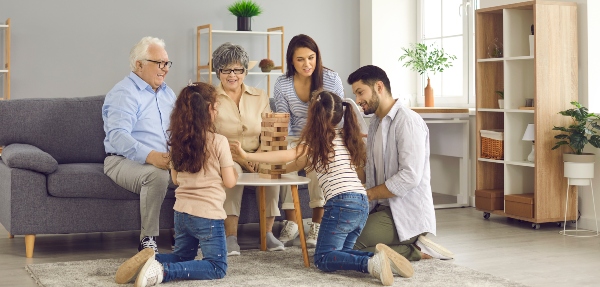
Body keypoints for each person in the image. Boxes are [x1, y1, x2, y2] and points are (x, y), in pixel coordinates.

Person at [231, 91, 414, 286]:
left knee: (323, 258)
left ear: (313, 115)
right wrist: (269, 170)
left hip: (341, 204)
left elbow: (286, 155)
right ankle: (384, 259)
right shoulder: (344, 137)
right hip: (361, 204)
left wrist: (247, 156)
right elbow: (293, 164)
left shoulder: (315, 142)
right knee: (339, 256)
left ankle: (369, 262)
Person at [115, 82, 238, 286]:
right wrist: (232, 168)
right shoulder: (219, 141)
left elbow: (174, 179)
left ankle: (148, 261)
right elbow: (230, 182)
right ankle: (162, 271)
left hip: (181, 214)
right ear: (209, 110)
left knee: (182, 257)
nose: (217, 111)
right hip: (208, 216)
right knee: (217, 266)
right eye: (216, 107)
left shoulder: (176, 141)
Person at [347, 65, 454, 261]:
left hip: (404, 213)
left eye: (360, 92)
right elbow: (369, 172)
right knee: (336, 239)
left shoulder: (408, 122)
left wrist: (368, 194)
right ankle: (404, 244)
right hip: (381, 208)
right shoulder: (376, 124)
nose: (358, 100)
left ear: (379, 87)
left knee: (350, 245)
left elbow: (409, 176)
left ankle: (415, 250)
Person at [103, 36, 176, 254]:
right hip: (122, 161)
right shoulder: (124, 93)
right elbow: (117, 135)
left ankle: (188, 234)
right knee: (157, 175)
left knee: (199, 169)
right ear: (139, 65)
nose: (165, 69)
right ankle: (148, 240)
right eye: (159, 63)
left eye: (167, 63)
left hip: (164, 159)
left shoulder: (167, 93)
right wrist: (151, 156)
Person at [212, 42, 285, 255]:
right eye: (226, 69)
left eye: (238, 69)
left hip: (258, 153)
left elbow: (269, 130)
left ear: (245, 71)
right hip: (226, 155)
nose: (232, 75)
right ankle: (230, 237)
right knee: (232, 172)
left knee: (272, 172)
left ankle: (268, 234)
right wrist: (243, 159)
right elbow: (210, 135)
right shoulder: (210, 98)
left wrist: (261, 156)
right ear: (218, 72)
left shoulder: (260, 96)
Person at [274, 34, 345, 247]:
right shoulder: (282, 84)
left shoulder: (331, 79)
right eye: (300, 59)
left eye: (311, 57)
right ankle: (292, 222)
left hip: (323, 135)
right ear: (291, 61)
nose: (307, 64)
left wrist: (314, 141)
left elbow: (338, 118)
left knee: (316, 155)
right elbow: (283, 121)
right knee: (285, 157)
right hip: (294, 137)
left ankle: (317, 222)